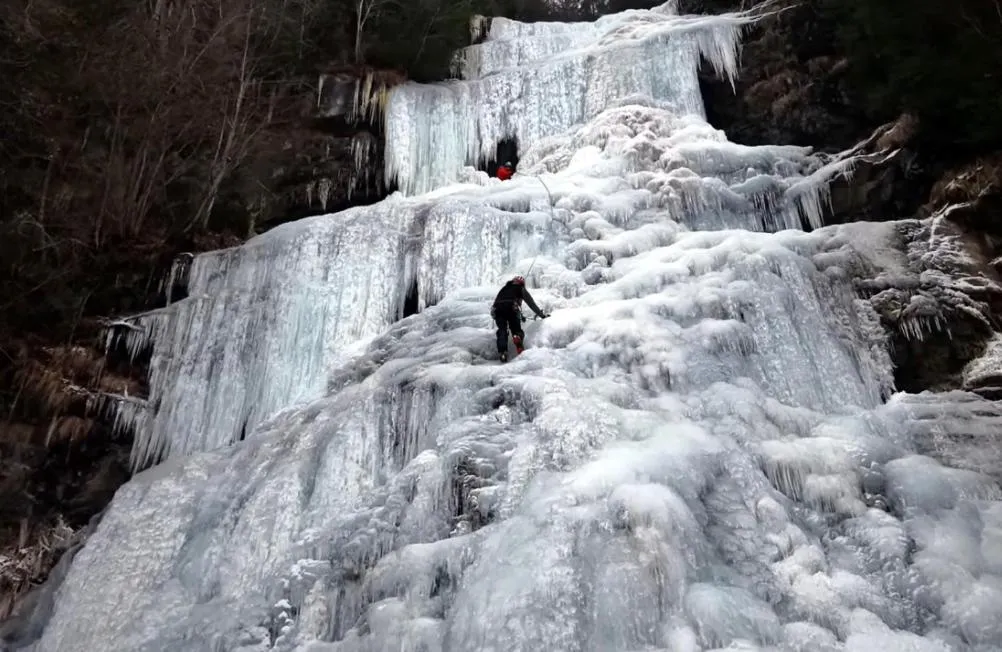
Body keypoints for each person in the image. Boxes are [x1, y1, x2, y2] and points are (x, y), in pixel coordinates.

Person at [491, 275, 548, 362]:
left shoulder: (504, 288)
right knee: (516, 329)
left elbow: (496, 302)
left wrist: (494, 314)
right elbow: (531, 303)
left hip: (498, 310)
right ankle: (517, 336)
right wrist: (542, 315)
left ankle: (503, 352)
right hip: (511, 308)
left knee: (502, 330)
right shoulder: (520, 288)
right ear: (522, 283)